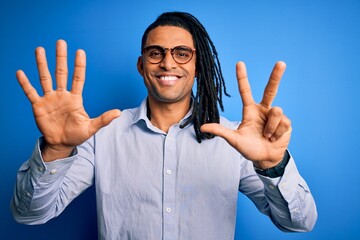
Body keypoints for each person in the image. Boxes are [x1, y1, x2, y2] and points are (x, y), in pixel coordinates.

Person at [11, 11, 317, 239]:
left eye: (182, 54)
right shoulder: (102, 137)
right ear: (142, 66)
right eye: (155, 53)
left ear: (198, 67)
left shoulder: (235, 141)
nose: (168, 63)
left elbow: (298, 222)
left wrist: (272, 164)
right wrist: (57, 148)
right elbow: (29, 214)